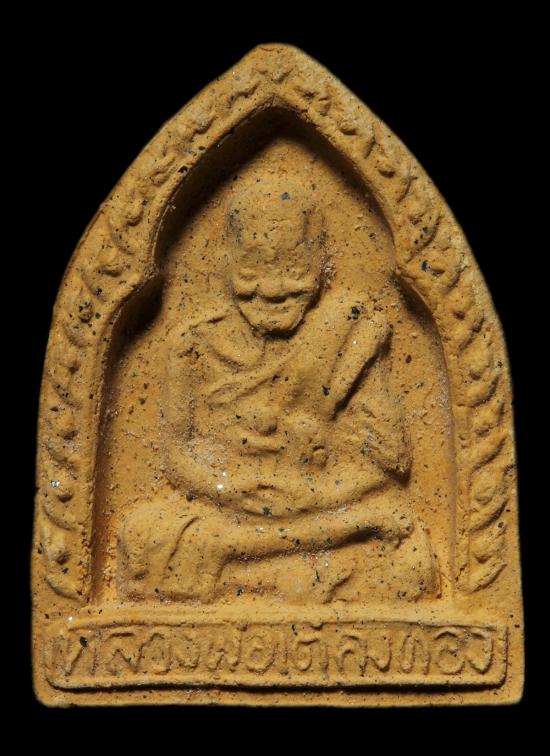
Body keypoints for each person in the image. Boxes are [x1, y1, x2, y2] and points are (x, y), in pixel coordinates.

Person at [119, 179, 440, 603]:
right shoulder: (192, 344)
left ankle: (248, 577)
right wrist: (230, 488)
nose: (272, 289)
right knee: (145, 534)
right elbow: (177, 456)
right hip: (228, 511)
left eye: (294, 270)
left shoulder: (353, 333)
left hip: (327, 502)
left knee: (408, 555)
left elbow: (388, 461)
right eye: (251, 271)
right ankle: (283, 573)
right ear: (225, 263)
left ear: (322, 263)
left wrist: (318, 494)